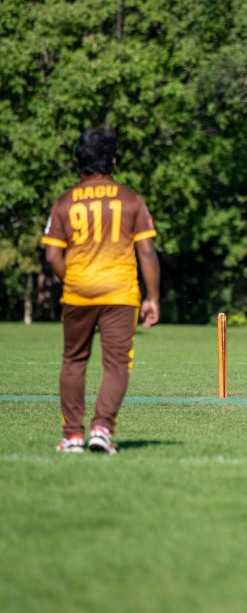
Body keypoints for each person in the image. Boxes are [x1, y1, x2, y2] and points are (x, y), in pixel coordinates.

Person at [42, 130, 160, 454]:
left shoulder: (64, 202)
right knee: (117, 364)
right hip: (120, 294)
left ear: (79, 162)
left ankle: (72, 436)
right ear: (113, 160)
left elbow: (52, 256)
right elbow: (147, 251)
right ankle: (102, 430)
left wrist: (73, 280)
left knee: (74, 361)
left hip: (77, 294)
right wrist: (152, 298)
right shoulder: (131, 200)